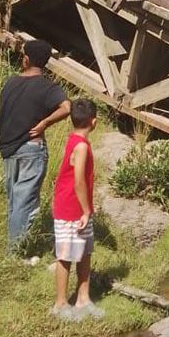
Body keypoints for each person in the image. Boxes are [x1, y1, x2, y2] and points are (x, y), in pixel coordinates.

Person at [0, 39, 70, 254]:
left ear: (26, 59)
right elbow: (67, 107)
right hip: (31, 148)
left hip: (8, 149)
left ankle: (13, 251)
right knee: (24, 202)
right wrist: (45, 122)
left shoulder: (10, 83)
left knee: (14, 200)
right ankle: (15, 252)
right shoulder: (48, 87)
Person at [51, 98, 102, 321]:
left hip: (80, 210)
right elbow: (79, 181)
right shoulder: (81, 146)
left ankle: (83, 298)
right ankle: (60, 303)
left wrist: (87, 209)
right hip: (70, 209)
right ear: (95, 122)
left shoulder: (75, 139)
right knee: (65, 256)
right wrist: (86, 210)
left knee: (84, 252)